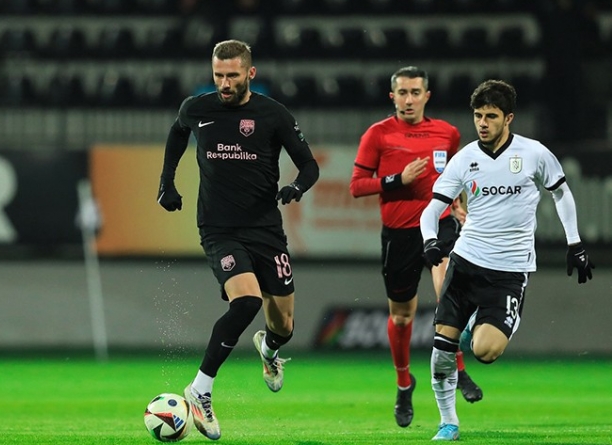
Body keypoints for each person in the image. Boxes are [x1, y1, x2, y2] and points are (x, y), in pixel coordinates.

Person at [157, 39, 319, 440]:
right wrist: (167, 183)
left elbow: (309, 165)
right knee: (246, 301)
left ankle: (270, 349)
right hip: (219, 229)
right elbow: (177, 133)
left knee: (284, 325)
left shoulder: (273, 114)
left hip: (266, 230)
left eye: (232, 75)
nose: (225, 83)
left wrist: (296, 187)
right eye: (218, 75)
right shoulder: (197, 108)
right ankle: (201, 389)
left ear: (250, 73)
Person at [421, 79, 594, 441]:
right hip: (466, 262)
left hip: (509, 272)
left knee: (485, 351)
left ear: (509, 118)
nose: (482, 123)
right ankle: (448, 422)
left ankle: (483, 323)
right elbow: (432, 208)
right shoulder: (465, 158)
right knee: (442, 350)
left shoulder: (534, 154)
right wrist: (430, 240)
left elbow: (561, 193)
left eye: (491, 116)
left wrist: (575, 243)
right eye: (478, 116)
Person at [349, 66, 483, 428]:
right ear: (392, 96)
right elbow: (357, 186)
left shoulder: (447, 133)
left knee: (447, 294)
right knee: (402, 317)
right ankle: (404, 383)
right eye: (402, 93)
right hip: (399, 234)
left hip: (439, 226)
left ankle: (459, 370)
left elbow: (454, 176)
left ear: (427, 96)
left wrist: (458, 201)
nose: (409, 100)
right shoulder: (378, 134)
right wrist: (397, 179)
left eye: (415, 92)